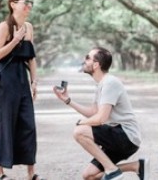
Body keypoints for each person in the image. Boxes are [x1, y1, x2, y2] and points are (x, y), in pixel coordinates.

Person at [54, 47, 146, 180]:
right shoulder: (101, 84)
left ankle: (112, 170)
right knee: (89, 176)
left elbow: (101, 118)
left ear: (96, 64)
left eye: (87, 58)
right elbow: (93, 113)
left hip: (126, 136)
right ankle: (135, 166)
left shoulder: (110, 83)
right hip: (117, 135)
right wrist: (68, 100)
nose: (84, 61)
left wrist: (81, 123)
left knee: (79, 131)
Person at [0, 0, 40, 180]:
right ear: (13, 4)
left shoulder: (29, 27)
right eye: (25, 2)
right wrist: (16, 40)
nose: (29, 6)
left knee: (28, 124)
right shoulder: (5, 26)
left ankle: (31, 173)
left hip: (22, 80)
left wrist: (34, 81)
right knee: (4, 124)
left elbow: (31, 58)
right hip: (6, 80)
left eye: (30, 3)